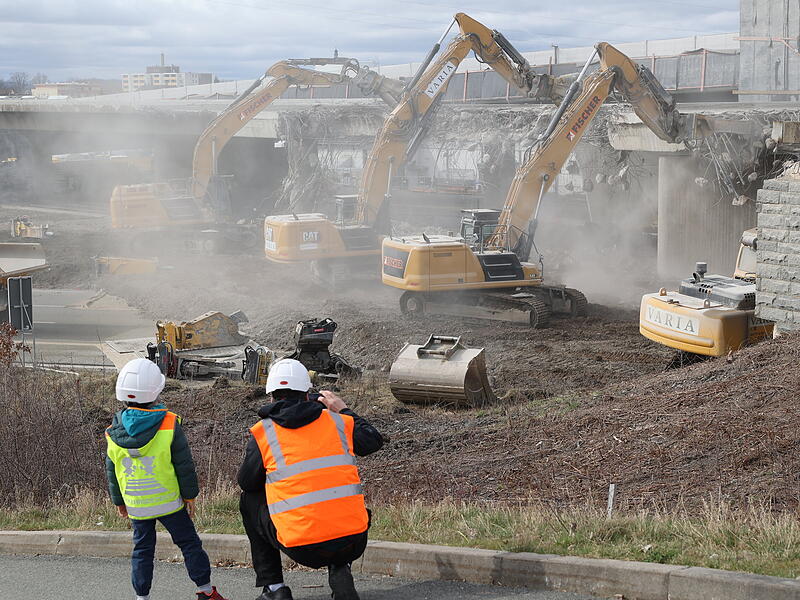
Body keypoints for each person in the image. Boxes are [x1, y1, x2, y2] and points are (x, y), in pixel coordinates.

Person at [238, 358, 384, 600]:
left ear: (271, 397)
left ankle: (274, 589)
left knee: (249, 500)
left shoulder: (265, 432)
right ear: (308, 394)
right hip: (354, 541)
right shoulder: (339, 423)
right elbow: (373, 441)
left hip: (303, 548)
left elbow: (247, 483)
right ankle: (340, 568)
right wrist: (343, 409)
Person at [105, 358, 228, 600]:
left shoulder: (113, 430)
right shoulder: (169, 423)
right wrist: (190, 495)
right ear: (156, 391)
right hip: (169, 501)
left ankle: (142, 597)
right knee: (189, 543)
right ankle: (205, 591)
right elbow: (183, 464)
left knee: (142, 550)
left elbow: (112, 469)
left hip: (137, 503)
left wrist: (119, 501)